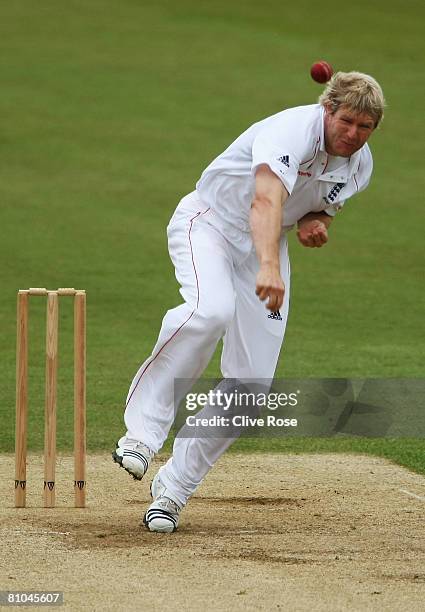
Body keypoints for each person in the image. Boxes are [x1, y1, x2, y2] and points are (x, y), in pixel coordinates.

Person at [113, 71, 385, 532]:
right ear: (327, 111)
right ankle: (142, 434)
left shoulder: (359, 165)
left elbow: (319, 207)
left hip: (264, 247)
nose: (354, 135)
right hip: (211, 223)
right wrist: (268, 265)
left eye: (365, 127)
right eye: (347, 122)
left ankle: (174, 489)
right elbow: (265, 200)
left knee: (253, 386)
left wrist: (316, 225)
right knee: (208, 311)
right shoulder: (289, 132)